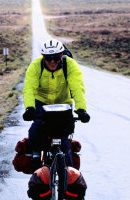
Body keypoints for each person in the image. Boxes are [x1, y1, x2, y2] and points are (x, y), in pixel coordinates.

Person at [22, 39, 90, 170]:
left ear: (61, 56)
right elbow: (29, 88)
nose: (52, 61)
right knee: (37, 126)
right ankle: (36, 153)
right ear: (43, 57)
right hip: (41, 101)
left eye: (56, 57)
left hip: (63, 102)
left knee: (64, 140)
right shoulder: (36, 66)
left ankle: (68, 176)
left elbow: (77, 88)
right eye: (48, 58)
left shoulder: (70, 65)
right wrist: (30, 108)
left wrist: (81, 109)